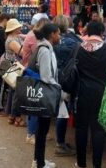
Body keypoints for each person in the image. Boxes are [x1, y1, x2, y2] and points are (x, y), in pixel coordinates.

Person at [75, 21, 106, 168]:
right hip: (101, 94)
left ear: (87, 32)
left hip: (81, 93)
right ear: (102, 32)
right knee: (98, 130)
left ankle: (81, 163)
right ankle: (97, 165)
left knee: (81, 128)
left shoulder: (78, 49)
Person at [31, 23, 61, 168]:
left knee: (42, 129)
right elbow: (46, 76)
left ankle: (38, 160)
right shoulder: (45, 50)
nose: (59, 36)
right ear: (51, 34)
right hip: (45, 94)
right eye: (58, 33)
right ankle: (40, 163)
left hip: (45, 92)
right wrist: (58, 88)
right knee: (42, 129)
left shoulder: (46, 48)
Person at [52, 15, 81, 157]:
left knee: (60, 111)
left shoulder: (51, 41)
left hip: (54, 77)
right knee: (63, 112)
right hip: (68, 79)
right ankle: (60, 144)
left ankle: (61, 141)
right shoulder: (73, 41)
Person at [21, 18, 50, 145]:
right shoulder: (37, 40)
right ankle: (31, 134)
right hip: (33, 73)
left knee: (33, 105)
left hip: (30, 71)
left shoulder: (32, 35)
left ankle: (34, 132)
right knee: (35, 107)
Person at [4, 18, 26, 127]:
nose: (20, 28)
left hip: (14, 67)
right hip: (14, 68)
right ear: (14, 29)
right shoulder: (12, 40)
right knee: (17, 93)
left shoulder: (15, 37)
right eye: (19, 27)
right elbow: (22, 53)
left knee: (14, 92)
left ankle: (12, 116)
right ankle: (16, 117)